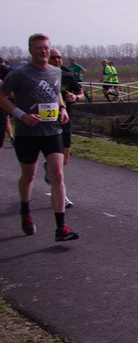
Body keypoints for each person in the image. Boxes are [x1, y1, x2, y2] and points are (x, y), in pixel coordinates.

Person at [0, 34, 79, 241]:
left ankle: (61, 228)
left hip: (52, 130)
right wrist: (21, 115)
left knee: (57, 175)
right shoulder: (19, 74)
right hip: (27, 133)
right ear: (30, 50)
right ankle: (25, 210)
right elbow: (1, 96)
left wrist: (63, 108)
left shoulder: (55, 71)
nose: (43, 51)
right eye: (38, 48)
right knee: (29, 175)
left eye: (46, 48)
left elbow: (56, 92)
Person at [46, 49, 75, 208]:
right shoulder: (38, 74)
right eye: (53, 58)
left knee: (64, 161)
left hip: (64, 119)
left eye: (59, 57)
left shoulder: (67, 75)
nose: (57, 60)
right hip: (46, 121)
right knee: (56, 166)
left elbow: (80, 93)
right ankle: (61, 197)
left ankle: (48, 167)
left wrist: (75, 97)